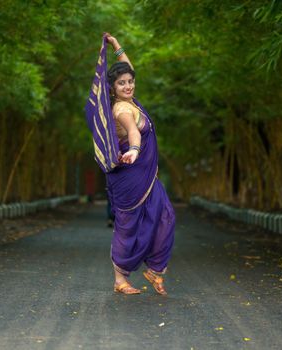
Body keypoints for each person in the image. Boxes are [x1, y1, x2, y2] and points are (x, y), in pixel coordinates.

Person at [85, 33, 176, 295]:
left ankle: (155, 270)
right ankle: (119, 279)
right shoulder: (122, 110)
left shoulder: (131, 100)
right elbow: (134, 133)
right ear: (112, 88)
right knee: (128, 226)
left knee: (165, 217)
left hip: (145, 176)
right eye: (122, 83)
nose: (128, 85)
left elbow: (129, 68)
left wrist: (115, 46)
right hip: (129, 175)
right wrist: (135, 149)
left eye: (130, 82)